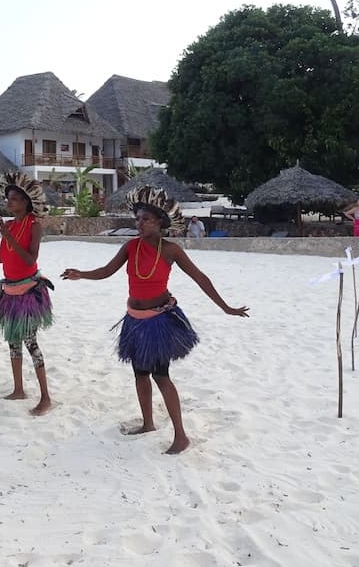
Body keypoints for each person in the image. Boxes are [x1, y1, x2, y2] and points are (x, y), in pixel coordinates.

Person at [60, 185, 249, 454]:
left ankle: (181, 436)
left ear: (160, 221)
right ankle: (148, 423)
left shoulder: (171, 250)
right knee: (140, 375)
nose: (139, 223)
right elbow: (106, 271)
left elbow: (200, 278)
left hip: (158, 322)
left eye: (146, 219)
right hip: (135, 320)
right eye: (137, 219)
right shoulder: (130, 246)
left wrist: (226, 308)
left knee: (161, 376)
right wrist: (82, 274)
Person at [0, 172, 54, 415]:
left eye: (13, 199)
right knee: (13, 342)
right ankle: (18, 389)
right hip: (10, 292)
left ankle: (45, 397)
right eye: (8, 198)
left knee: (31, 343)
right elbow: (2, 258)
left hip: (28, 292)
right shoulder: (9, 225)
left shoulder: (34, 225)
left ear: (25, 202)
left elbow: (31, 259)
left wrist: (8, 237)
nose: (8, 202)